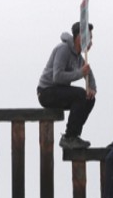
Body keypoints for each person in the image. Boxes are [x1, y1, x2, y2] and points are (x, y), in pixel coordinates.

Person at [37, 21, 97, 150]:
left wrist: (92, 88)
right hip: (46, 92)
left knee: (89, 98)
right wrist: (80, 73)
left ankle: (74, 135)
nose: (91, 42)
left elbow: (89, 73)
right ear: (80, 37)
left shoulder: (78, 57)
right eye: (89, 38)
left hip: (59, 90)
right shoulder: (63, 49)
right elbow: (57, 77)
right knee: (80, 94)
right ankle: (69, 137)